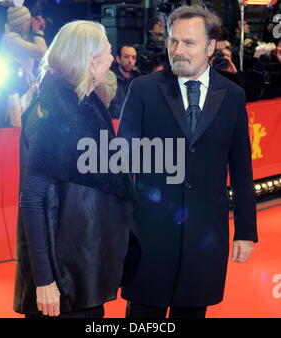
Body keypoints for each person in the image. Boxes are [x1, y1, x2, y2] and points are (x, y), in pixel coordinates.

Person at [118, 5, 258, 318]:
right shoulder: (143, 90)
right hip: (149, 236)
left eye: (189, 43)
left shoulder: (232, 95)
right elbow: (123, 163)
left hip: (205, 237)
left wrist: (246, 230)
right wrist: (120, 227)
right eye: (172, 41)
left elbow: (241, 168)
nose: (177, 50)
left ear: (211, 47)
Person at [14, 20, 140, 318]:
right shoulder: (52, 113)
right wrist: (44, 280)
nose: (112, 58)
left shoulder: (82, 105)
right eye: (107, 52)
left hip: (82, 270)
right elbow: (32, 201)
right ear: (89, 59)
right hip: (61, 281)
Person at [2, 5, 47, 127]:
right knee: (18, 125)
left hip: (23, 86)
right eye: (28, 20)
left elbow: (42, 56)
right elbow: (42, 51)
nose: (30, 22)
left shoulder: (23, 37)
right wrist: (38, 32)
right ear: (20, 24)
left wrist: (39, 31)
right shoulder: (11, 39)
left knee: (26, 123)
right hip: (14, 87)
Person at [108, 45, 140, 118]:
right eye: (126, 57)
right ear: (118, 59)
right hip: (114, 121)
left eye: (134, 58)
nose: (130, 61)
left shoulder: (138, 78)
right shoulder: (110, 78)